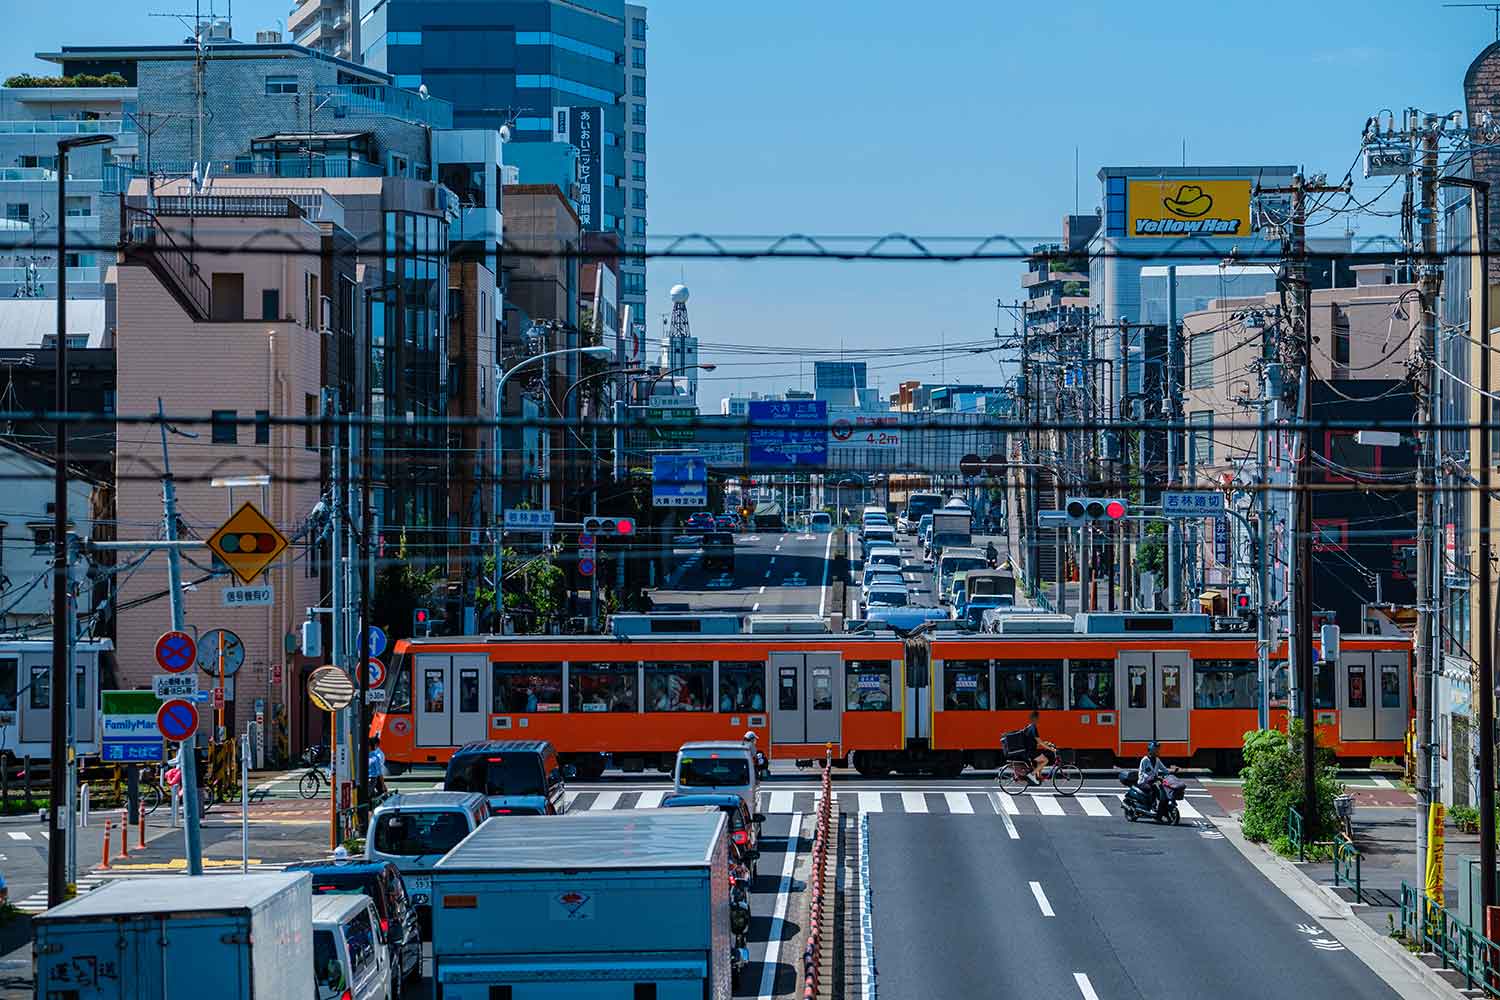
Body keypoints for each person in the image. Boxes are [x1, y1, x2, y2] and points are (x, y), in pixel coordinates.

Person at [1011, 710, 1056, 786]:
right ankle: (1032, 774)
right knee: (1045, 760)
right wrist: (1050, 749)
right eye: (1038, 718)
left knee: (1040, 760)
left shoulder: (1029, 726)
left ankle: (1038, 776)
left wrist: (1047, 744)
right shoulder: (1033, 727)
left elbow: (1036, 741)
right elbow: (1040, 742)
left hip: (1027, 751)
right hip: (1030, 752)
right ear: (1035, 718)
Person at [1137, 740, 1178, 816]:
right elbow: (1141, 773)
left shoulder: (1157, 760)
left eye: (1157, 750)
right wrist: (1150, 777)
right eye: (1155, 750)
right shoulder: (1145, 760)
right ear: (1150, 750)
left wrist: (1171, 772)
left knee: (1162, 788)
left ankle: (1161, 807)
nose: (1157, 751)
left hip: (1153, 781)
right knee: (1154, 789)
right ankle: (1152, 807)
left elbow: (1164, 769)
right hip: (1144, 781)